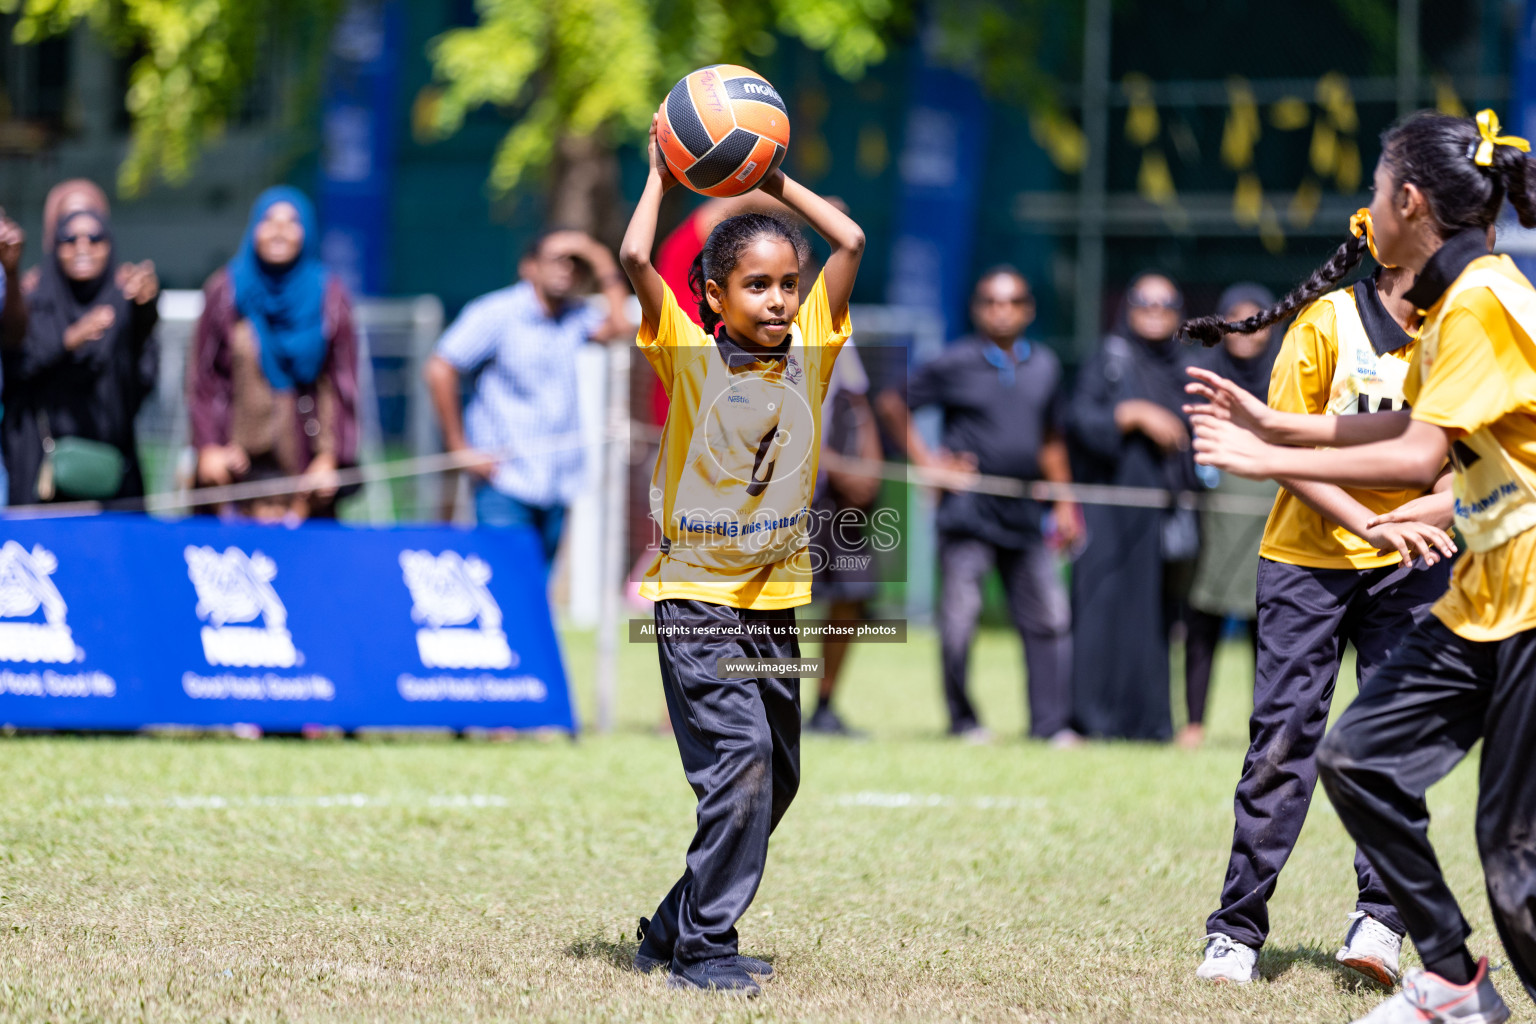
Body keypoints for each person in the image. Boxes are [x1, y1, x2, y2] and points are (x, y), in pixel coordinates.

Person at [1189, 109, 1536, 1024]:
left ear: (1411, 203)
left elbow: (1420, 455)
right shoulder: (1459, 298)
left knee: (1511, 847)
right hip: (1489, 589)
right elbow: (1410, 431)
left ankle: (1448, 975)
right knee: (1358, 759)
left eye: (1377, 192)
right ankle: (1457, 981)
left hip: (1521, 587)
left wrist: (1271, 460)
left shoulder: (1479, 301)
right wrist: (1275, 427)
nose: (1366, 212)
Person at [618, 113, 864, 994]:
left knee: (778, 778)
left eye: (788, 285)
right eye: (756, 286)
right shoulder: (687, 355)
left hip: (775, 603)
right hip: (695, 601)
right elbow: (635, 263)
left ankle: (671, 925)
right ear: (714, 297)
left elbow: (852, 237)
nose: (778, 300)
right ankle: (705, 952)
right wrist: (663, 173)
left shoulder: (814, 353)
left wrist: (770, 173)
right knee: (741, 764)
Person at [1183, 219, 1462, 987]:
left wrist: (1427, 514)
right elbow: (1289, 456)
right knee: (1282, 743)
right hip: (1309, 563)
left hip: (1415, 564)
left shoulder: (1458, 330)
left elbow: (1462, 456)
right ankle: (1235, 930)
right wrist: (1370, 521)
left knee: (1396, 745)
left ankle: (1381, 922)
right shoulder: (1328, 323)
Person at [877, 266, 1080, 744]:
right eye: (991, 301)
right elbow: (891, 401)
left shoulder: (1046, 365)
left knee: (1050, 619)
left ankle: (1051, 726)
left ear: (1028, 309)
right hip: (967, 514)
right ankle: (964, 720)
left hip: (1027, 513)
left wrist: (1066, 501)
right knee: (958, 622)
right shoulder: (955, 362)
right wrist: (929, 462)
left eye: (1011, 302)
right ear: (977, 309)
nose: (1001, 310)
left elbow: (1052, 438)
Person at [425, 228, 631, 565]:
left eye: (574, 262)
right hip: (504, 480)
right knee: (508, 582)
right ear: (529, 267)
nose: (566, 268)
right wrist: (459, 447)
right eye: (557, 259)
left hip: (557, 481)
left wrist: (600, 257)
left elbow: (621, 327)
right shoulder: (497, 312)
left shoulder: (576, 316)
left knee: (538, 590)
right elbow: (440, 367)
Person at [1066, 272, 1198, 742]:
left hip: (1160, 514)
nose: (1154, 310)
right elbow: (1078, 421)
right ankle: (1091, 720)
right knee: (1100, 609)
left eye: (1166, 303)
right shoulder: (1110, 357)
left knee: (1154, 617)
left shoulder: (1186, 368)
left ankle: (1148, 725)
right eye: (1144, 301)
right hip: (1107, 505)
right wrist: (1131, 414)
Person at [189, 187, 358, 521]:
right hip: (233, 467)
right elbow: (203, 379)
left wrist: (332, 457)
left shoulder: (329, 296)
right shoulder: (226, 290)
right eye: (269, 220)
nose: (279, 230)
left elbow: (342, 384)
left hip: (303, 470)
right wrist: (208, 447)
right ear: (253, 229)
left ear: (307, 232)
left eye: (292, 222)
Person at [2, 207, 158, 506]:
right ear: (54, 247)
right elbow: (15, 369)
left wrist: (147, 306)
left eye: (95, 238)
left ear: (110, 246)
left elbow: (142, 366)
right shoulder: (34, 305)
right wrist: (69, 340)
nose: (82, 247)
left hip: (112, 473)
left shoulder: (124, 304)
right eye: (69, 239)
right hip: (41, 473)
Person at [1180, 284, 1278, 750]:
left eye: (1254, 321)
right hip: (1214, 515)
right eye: (1235, 321)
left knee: (1268, 622)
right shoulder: (1205, 374)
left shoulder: (1286, 376)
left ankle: (1262, 725)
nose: (1245, 332)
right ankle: (1193, 724)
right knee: (1205, 615)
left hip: (1270, 510)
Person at [805, 339, 881, 736]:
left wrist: (870, 468)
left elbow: (858, 403)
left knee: (854, 588)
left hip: (830, 499)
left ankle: (824, 706)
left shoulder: (835, 333)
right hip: (769, 494)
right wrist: (833, 464)